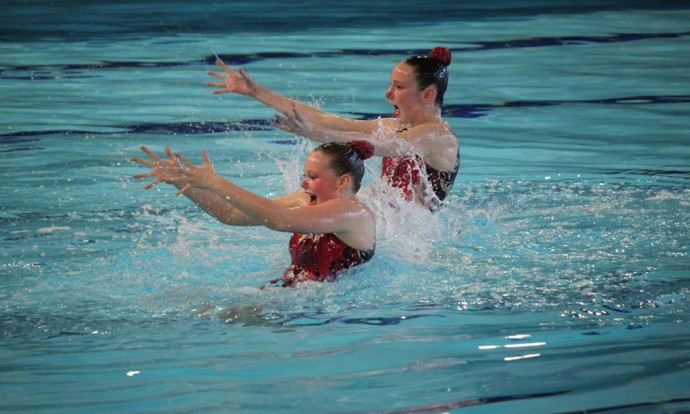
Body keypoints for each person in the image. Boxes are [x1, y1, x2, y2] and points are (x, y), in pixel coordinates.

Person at [206, 47, 459, 209]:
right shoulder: (396, 125)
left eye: (399, 87)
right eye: (390, 85)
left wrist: (313, 133)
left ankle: (211, 189)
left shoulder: (438, 136)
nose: (388, 93)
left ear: (427, 94)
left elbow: (380, 147)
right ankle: (205, 188)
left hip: (402, 235)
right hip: (379, 218)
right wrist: (256, 91)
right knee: (294, 203)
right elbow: (328, 120)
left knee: (286, 210)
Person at [131, 141, 376, 287]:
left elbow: (279, 220)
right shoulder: (305, 202)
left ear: (343, 181)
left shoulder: (352, 213)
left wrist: (217, 183)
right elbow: (229, 214)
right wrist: (183, 183)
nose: (303, 183)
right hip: (296, 295)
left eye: (312, 177)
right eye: (305, 176)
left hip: (332, 311)